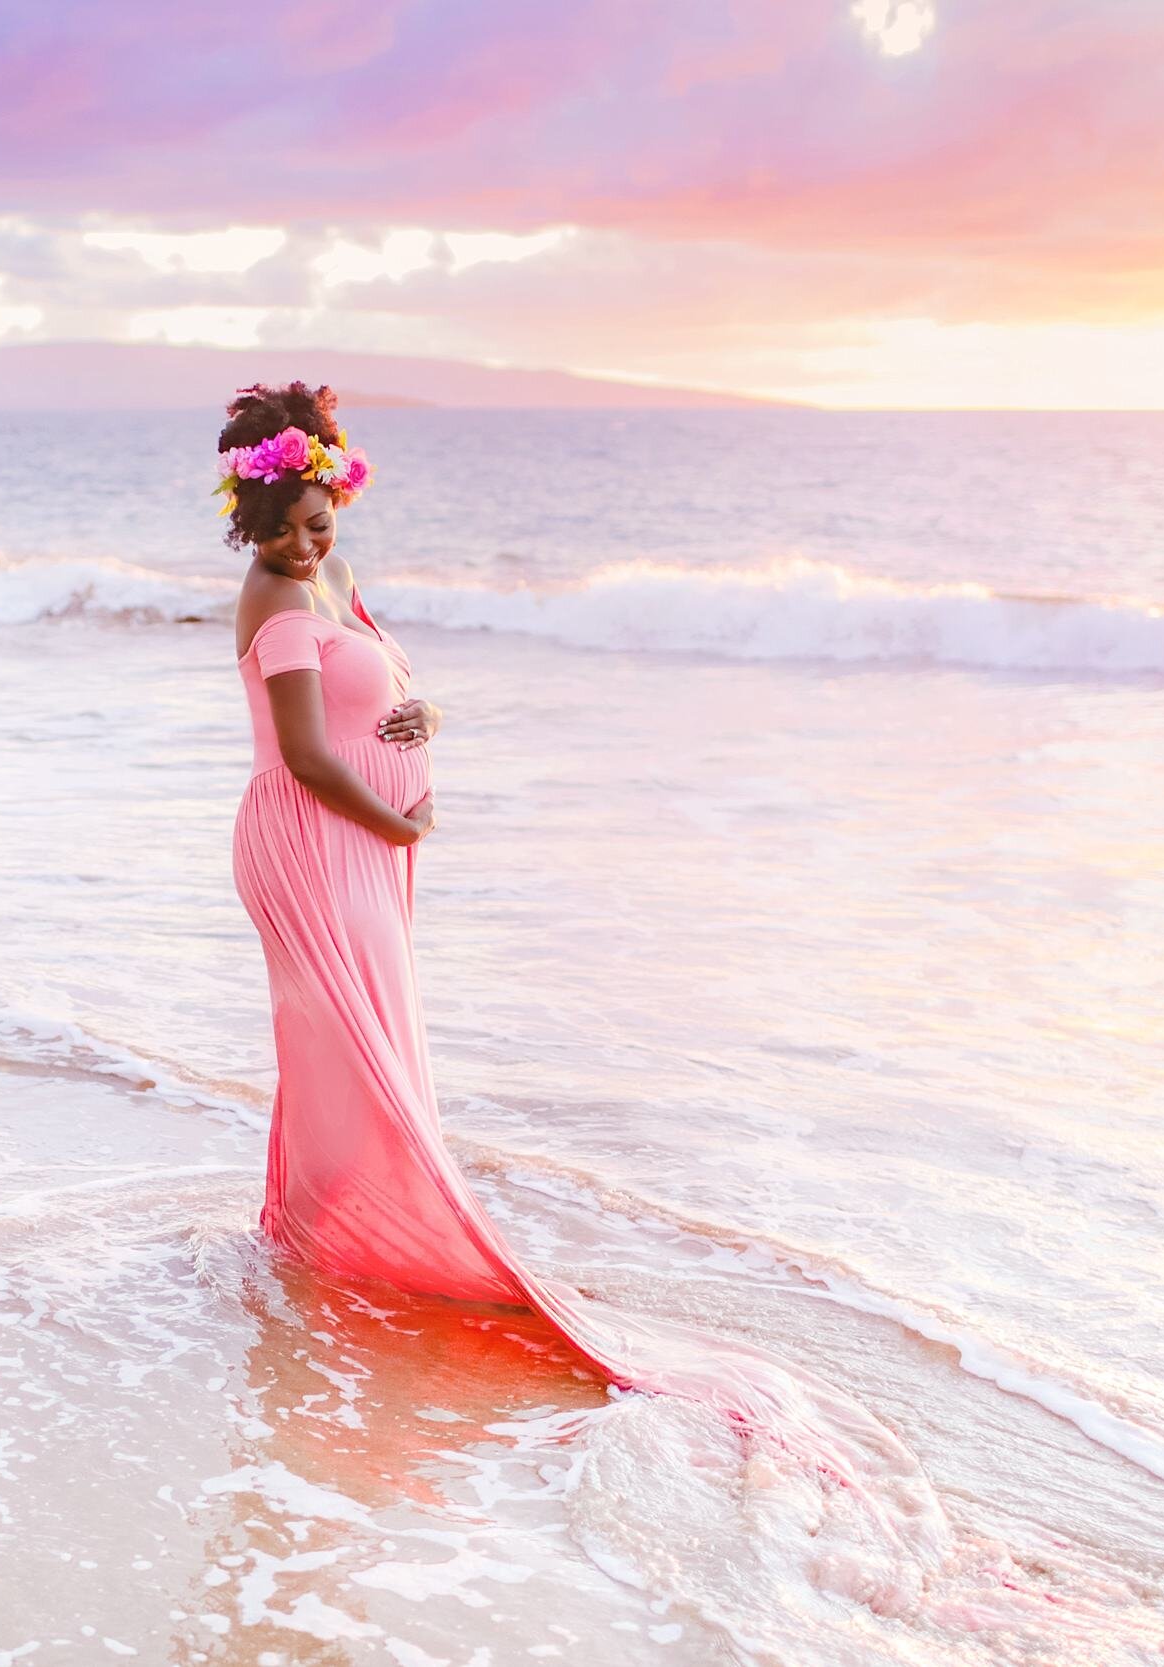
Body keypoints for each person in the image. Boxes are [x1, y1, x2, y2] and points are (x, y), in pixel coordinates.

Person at [220, 383, 949, 1606]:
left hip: (364, 844)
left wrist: (417, 724)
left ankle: (318, 1235)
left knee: (367, 1047)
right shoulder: (275, 599)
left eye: (321, 516)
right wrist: (395, 810)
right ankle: (349, 1243)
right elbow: (297, 754)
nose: (308, 540)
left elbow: (371, 703)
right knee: (356, 1052)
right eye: (288, 522)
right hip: (312, 843)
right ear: (252, 515)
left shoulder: (333, 589)